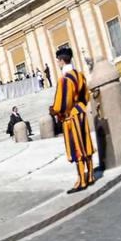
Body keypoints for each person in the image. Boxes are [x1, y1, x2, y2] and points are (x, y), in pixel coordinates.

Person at [49, 45, 95, 194]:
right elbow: (86, 96)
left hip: (71, 118)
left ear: (62, 61)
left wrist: (53, 110)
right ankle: (91, 176)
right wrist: (80, 106)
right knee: (85, 143)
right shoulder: (79, 75)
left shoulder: (64, 80)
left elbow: (61, 105)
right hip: (81, 113)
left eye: (58, 61)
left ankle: (82, 180)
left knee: (77, 147)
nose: (57, 63)